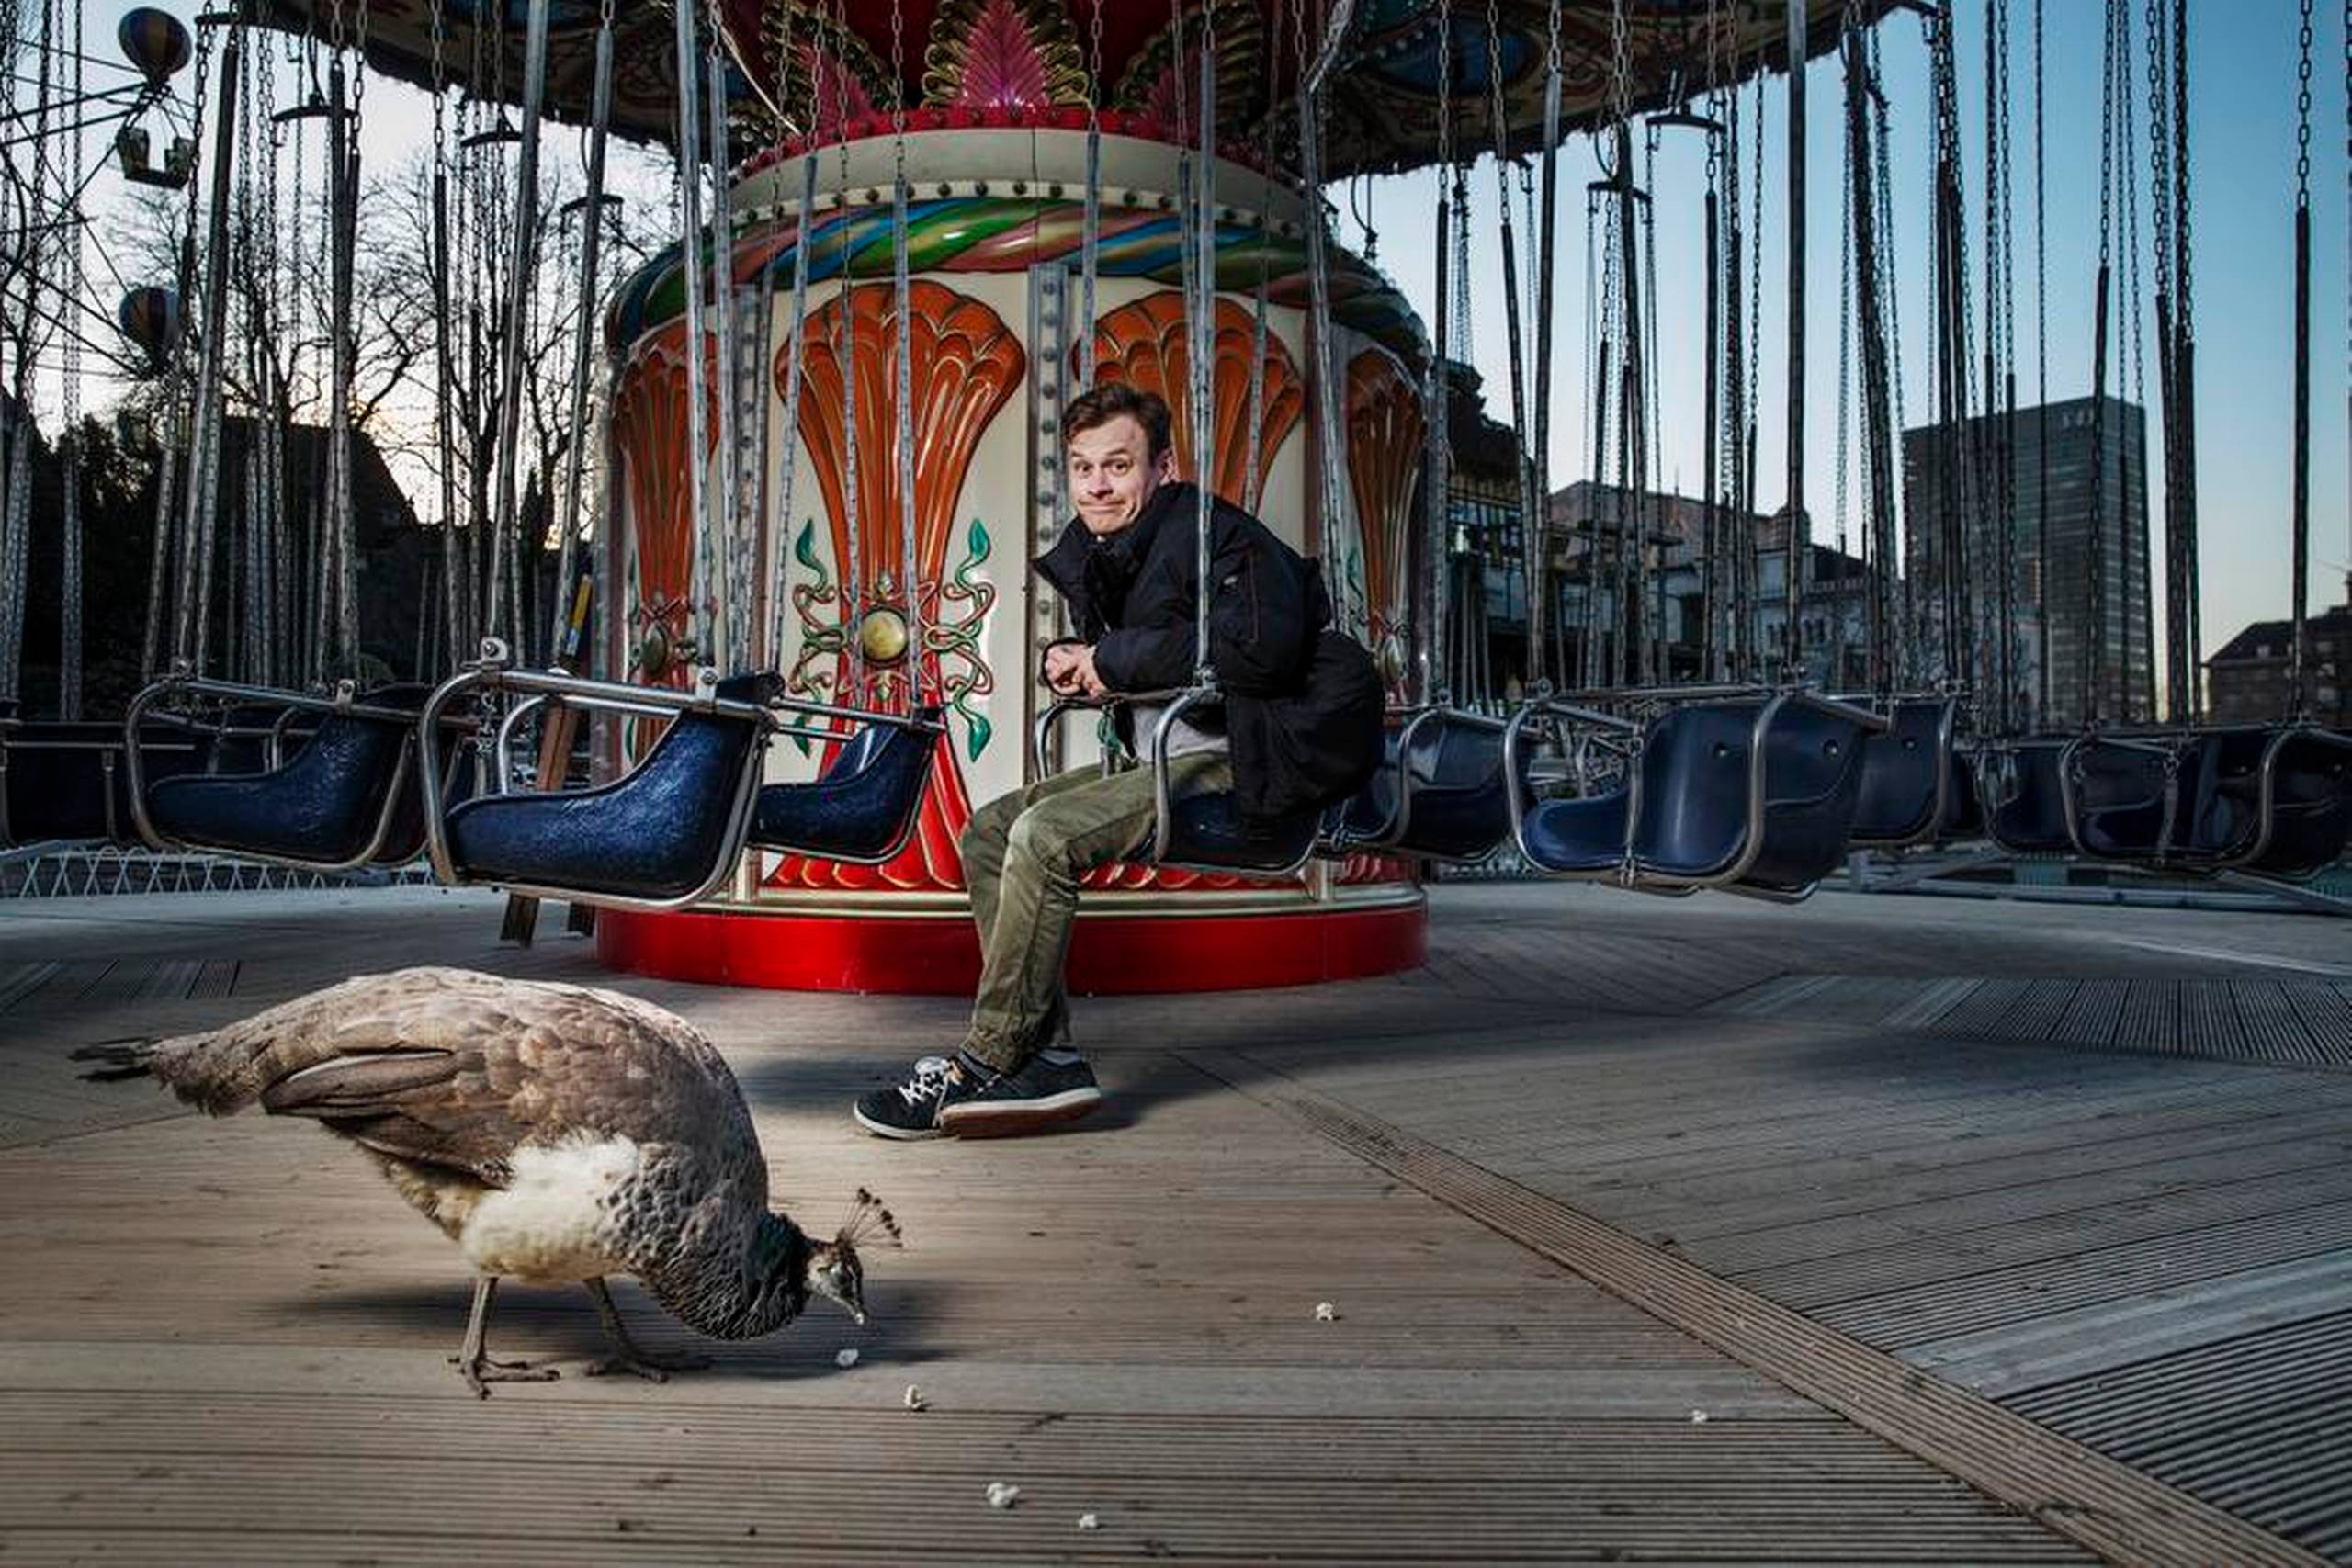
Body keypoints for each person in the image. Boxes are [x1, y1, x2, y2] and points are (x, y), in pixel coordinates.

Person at [854, 382, 1375, 1139]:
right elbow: (1143, 657)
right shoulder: (1110, 553)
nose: (1098, 484)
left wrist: (1109, 657)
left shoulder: (1218, 533)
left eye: (1119, 466)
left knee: (1045, 837)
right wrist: (1078, 661)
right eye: (1084, 467)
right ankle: (1050, 1057)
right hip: (1161, 758)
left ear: (1161, 467)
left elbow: (1262, 645)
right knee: (993, 830)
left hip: (1241, 757)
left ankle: (987, 1059)